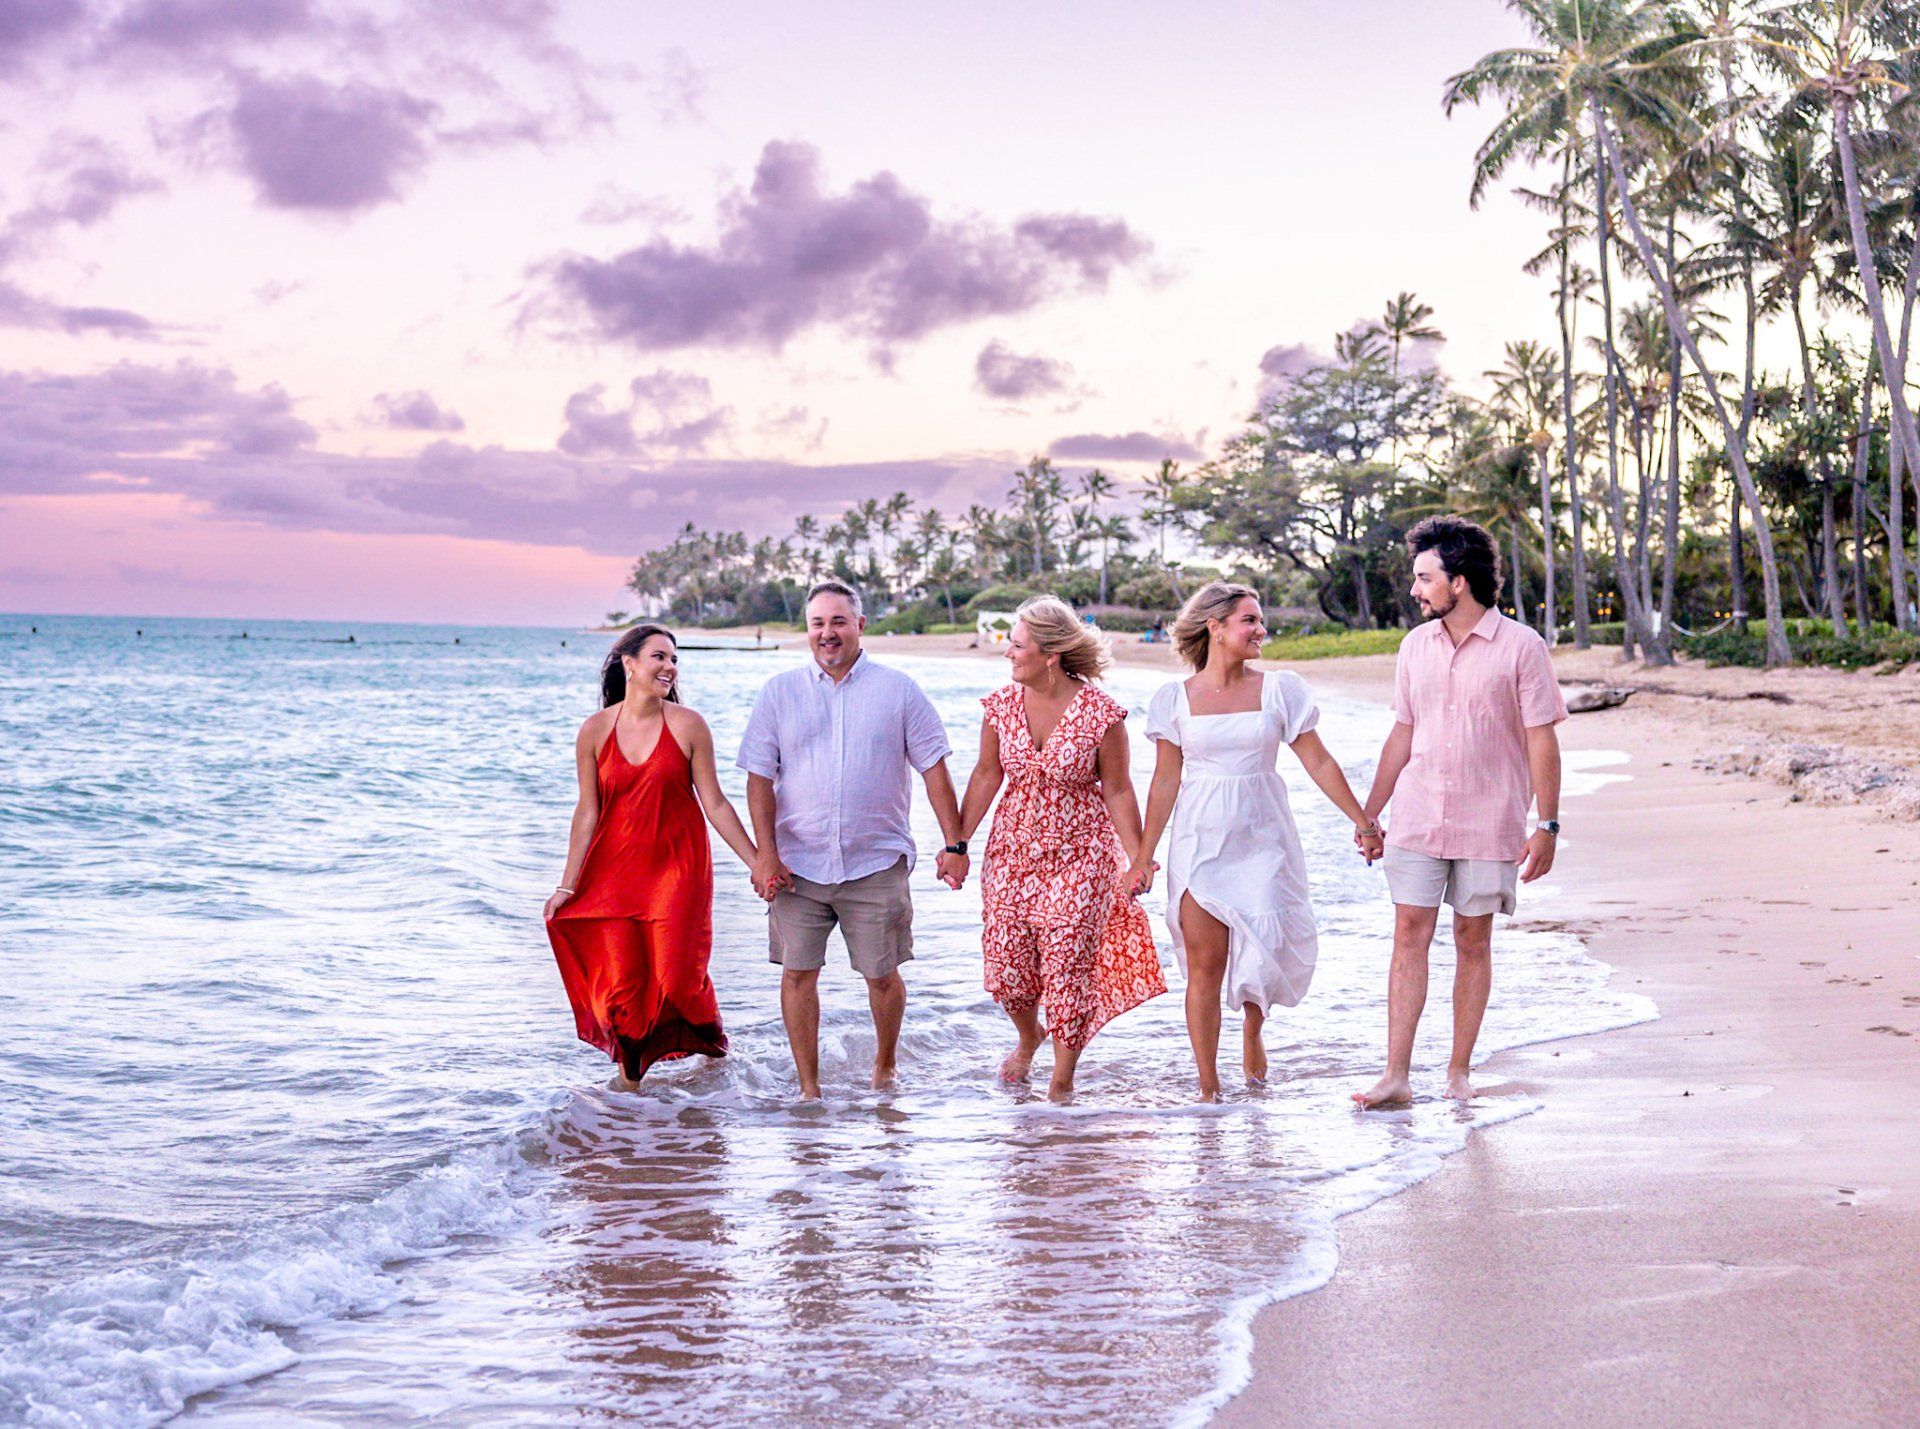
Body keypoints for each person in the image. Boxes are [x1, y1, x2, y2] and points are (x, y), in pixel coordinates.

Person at [1130, 583, 1383, 1101]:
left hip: (1264, 836)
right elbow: (1164, 781)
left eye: (1259, 620)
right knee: (1203, 966)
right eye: (1250, 620)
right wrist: (1144, 855)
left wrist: (1362, 820)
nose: (1261, 630)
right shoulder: (1173, 699)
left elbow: (1318, 761)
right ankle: (1208, 1088)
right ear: (1215, 627)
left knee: (1263, 941)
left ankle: (1253, 1030)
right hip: (1199, 841)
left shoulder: (1280, 689)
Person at [1351, 515, 1567, 1109]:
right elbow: (1401, 734)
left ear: (1460, 582)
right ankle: (1395, 1075)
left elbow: (1541, 740)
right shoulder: (1413, 645)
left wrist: (1546, 824)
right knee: (1407, 936)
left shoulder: (1523, 647)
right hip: (1418, 817)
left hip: (1490, 818)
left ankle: (1457, 1071)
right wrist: (1369, 816)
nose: (1415, 590)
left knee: (1473, 939)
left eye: (1424, 578)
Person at [737, 580, 967, 1098]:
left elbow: (935, 770)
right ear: (807, 629)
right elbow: (757, 779)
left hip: (876, 863)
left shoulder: (899, 689)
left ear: (860, 625)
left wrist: (955, 846)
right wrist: (765, 855)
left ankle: (885, 1068)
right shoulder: (779, 692)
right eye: (817, 623)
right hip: (797, 865)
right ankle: (809, 1088)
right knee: (798, 975)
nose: (827, 633)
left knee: (882, 976)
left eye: (838, 621)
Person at [947, 596, 1164, 1102]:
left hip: (1082, 856)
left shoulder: (1101, 715)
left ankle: (1060, 1083)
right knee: (1005, 968)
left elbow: (1118, 790)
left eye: (1017, 645)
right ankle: (1029, 1036)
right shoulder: (1000, 707)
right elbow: (986, 775)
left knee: (1068, 967)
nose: (1007, 654)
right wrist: (958, 843)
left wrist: (1138, 858)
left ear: (1049, 654)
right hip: (1012, 853)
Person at [545, 626, 759, 1088]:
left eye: (674, 659)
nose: (669, 667)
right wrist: (568, 884)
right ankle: (631, 1082)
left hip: (677, 871)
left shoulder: (688, 725)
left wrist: (757, 862)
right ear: (630, 664)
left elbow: (715, 803)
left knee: (680, 976)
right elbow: (587, 810)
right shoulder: (594, 731)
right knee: (624, 982)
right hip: (613, 873)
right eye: (659, 656)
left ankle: (712, 1048)